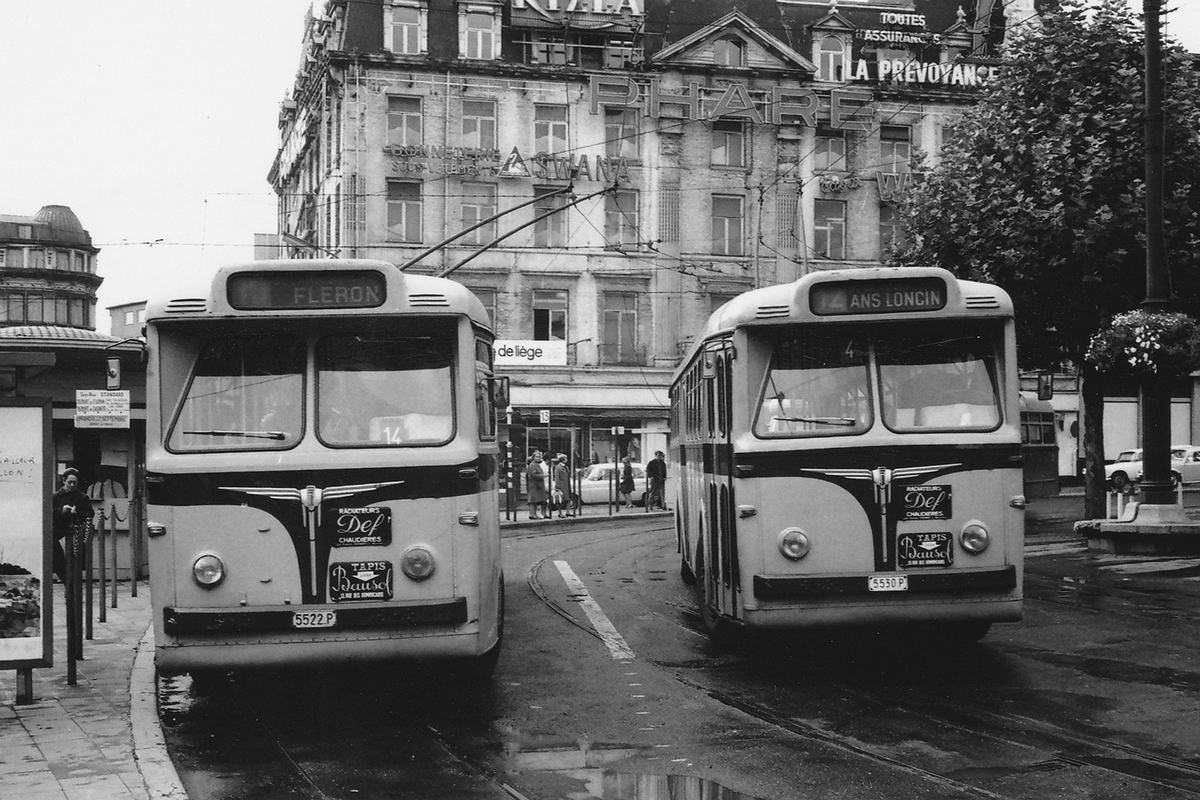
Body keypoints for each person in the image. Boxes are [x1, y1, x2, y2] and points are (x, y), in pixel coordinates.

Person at [52, 468, 92, 581]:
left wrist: (78, 512)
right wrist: (61, 511)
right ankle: (64, 577)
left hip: (76, 530)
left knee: (76, 557)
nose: (72, 485)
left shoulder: (82, 497)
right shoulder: (55, 497)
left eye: (75, 482)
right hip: (59, 530)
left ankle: (74, 580)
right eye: (69, 482)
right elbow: (47, 512)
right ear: (64, 481)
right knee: (56, 552)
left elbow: (90, 513)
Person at [525, 451, 548, 520]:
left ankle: (534, 514)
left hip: (538, 485)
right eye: (536, 457)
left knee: (536, 500)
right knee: (533, 500)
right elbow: (534, 475)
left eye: (539, 457)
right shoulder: (532, 465)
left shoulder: (537, 465)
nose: (538, 458)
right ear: (533, 457)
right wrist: (543, 475)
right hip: (534, 485)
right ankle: (533, 514)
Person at [552, 454, 571, 519]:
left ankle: (568, 512)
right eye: (566, 458)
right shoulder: (558, 467)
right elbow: (557, 476)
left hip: (567, 485)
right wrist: (557, 486)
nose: (567, 460)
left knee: (568, 499)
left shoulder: (566, 467)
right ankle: (560, 513)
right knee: (560, 499)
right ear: (562, 460)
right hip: (562, 485)